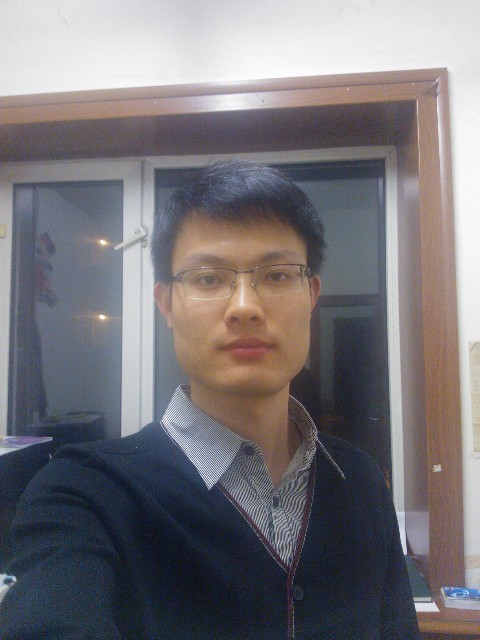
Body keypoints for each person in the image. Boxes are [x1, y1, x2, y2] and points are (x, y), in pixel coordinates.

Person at [0, 160, 420, 639]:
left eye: (277, 275)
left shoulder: (361, 480)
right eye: (207, 278)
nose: (244, 307)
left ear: (311, 295)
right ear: (166, 305)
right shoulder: (83, 494)